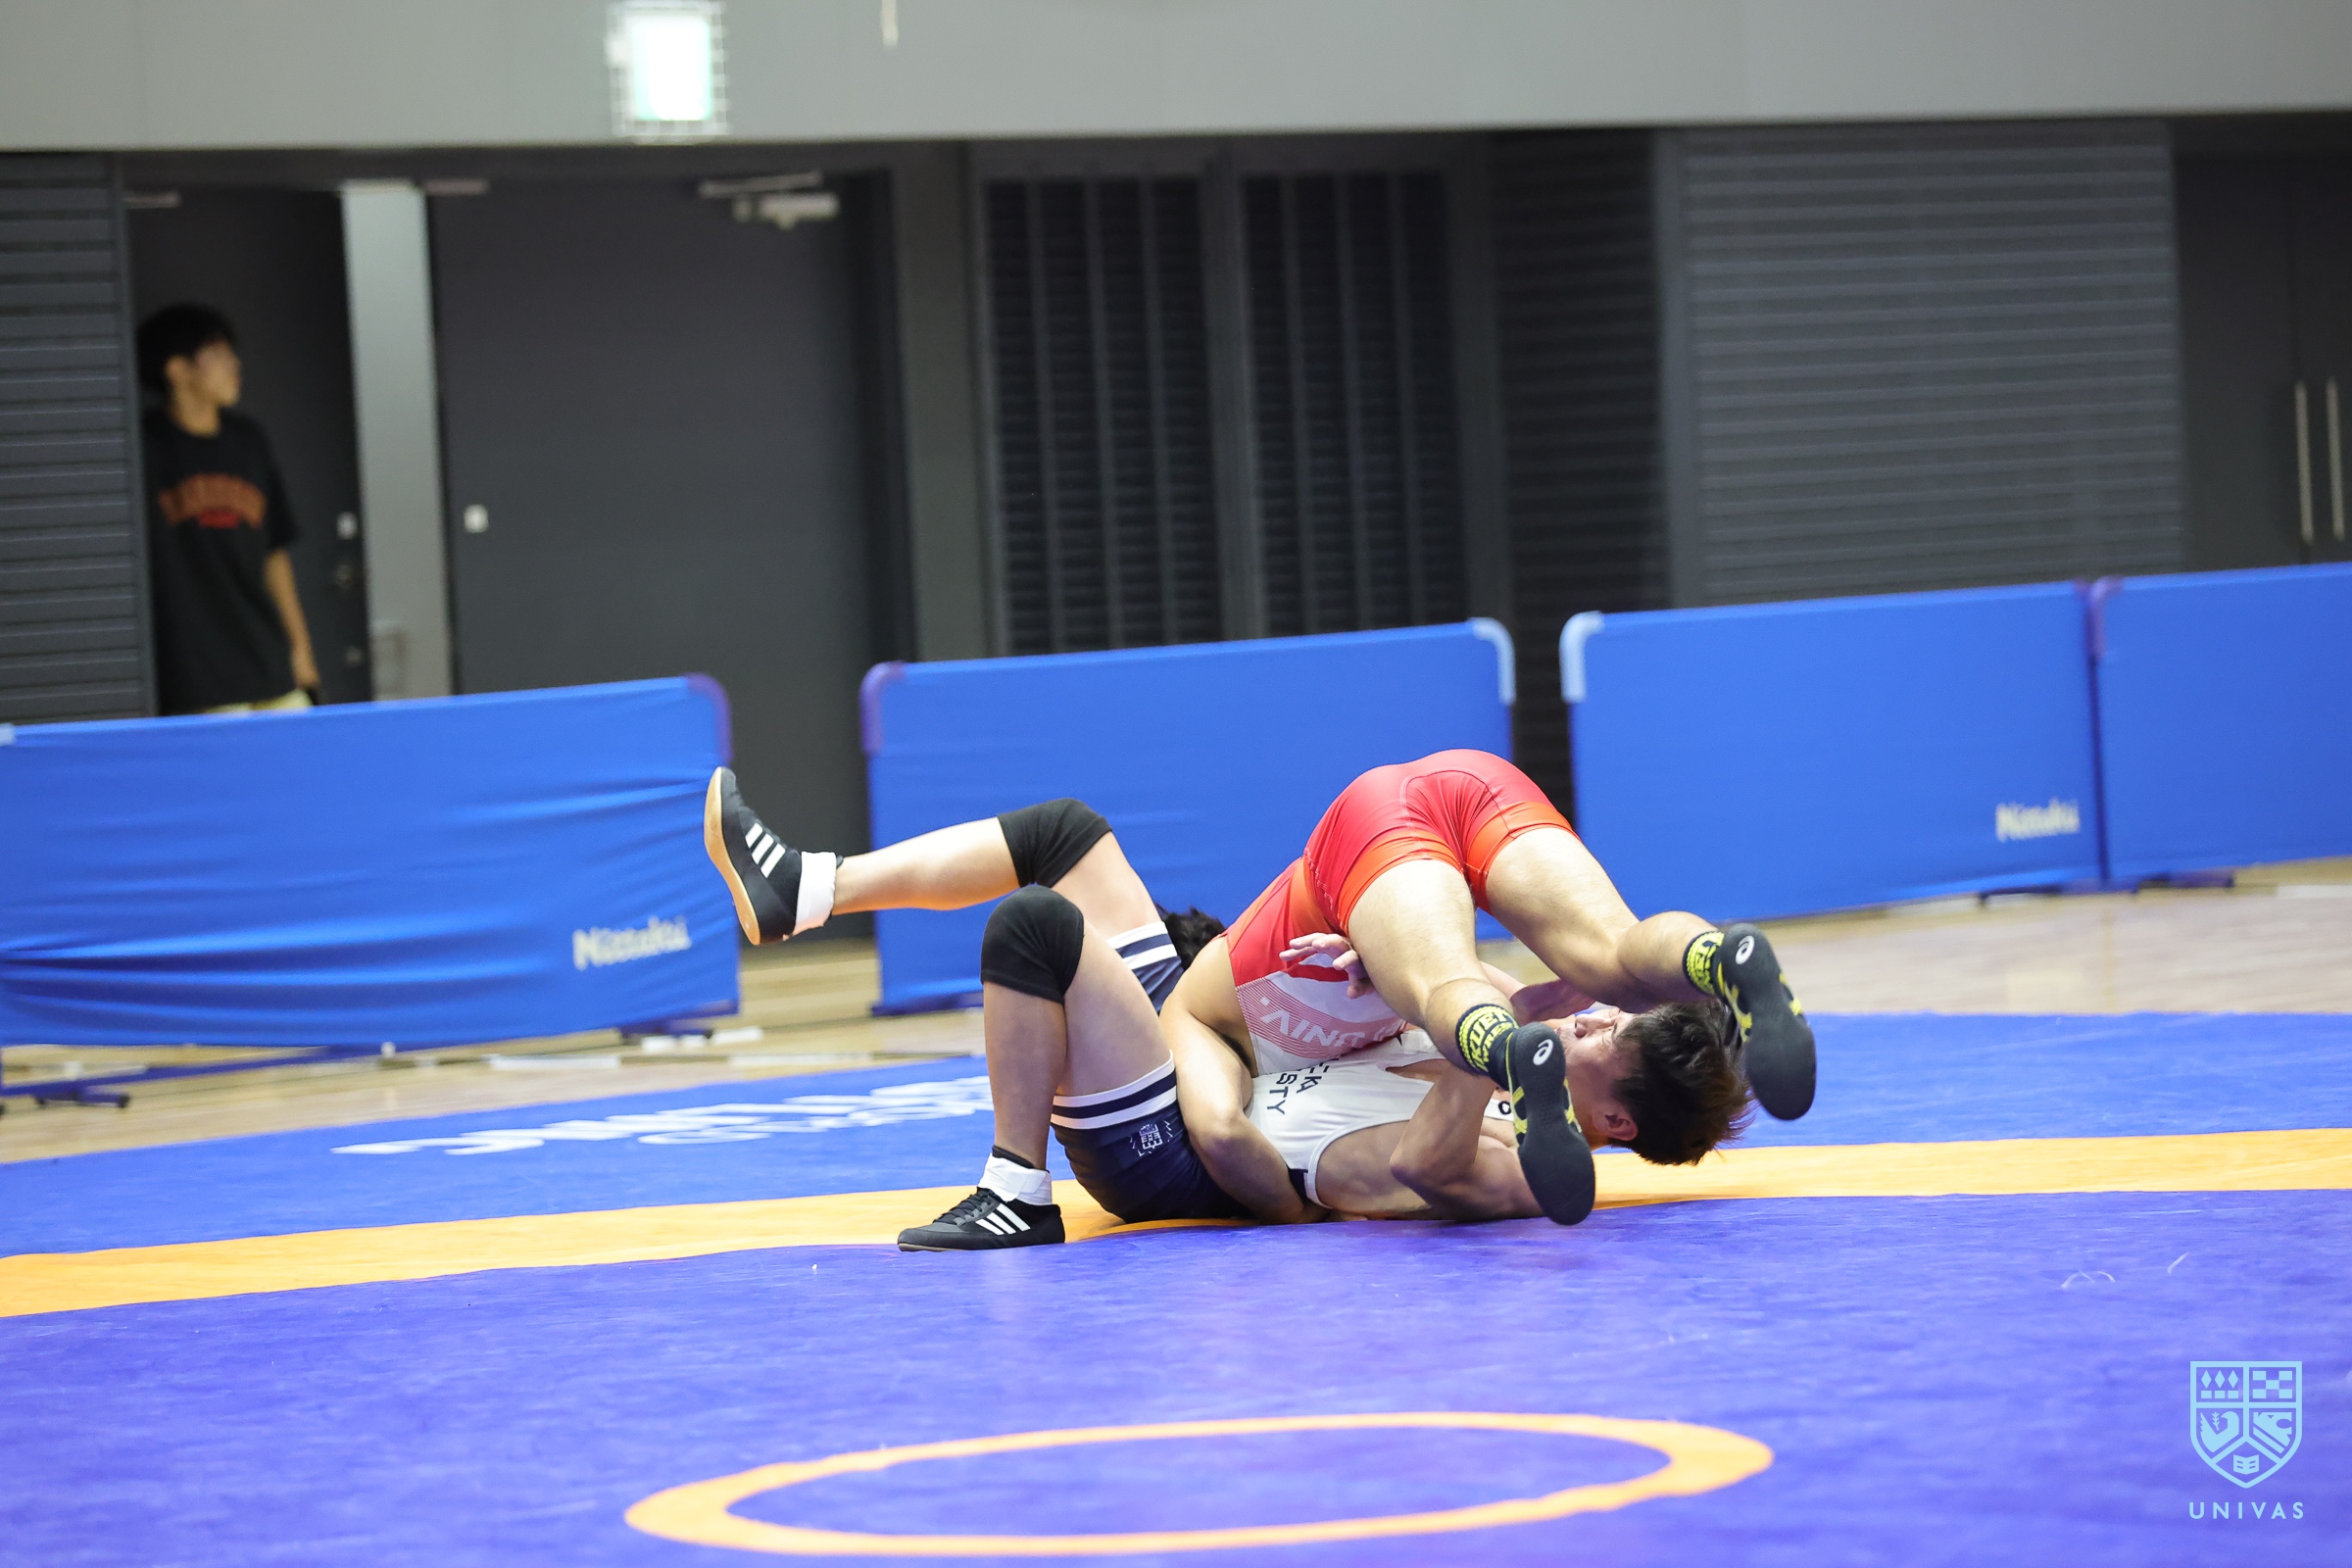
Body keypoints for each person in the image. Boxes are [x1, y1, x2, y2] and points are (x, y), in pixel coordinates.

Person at [1164, 749, 1806, 1231]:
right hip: (1404, 832)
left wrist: (1292, 1218)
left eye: (1607, 1033)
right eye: (1607, 1017)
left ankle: (1711, 953)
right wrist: (1385, 964)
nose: (1589, 1017)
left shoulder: (1527, 1163)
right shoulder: (1522, 1051)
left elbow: (1418, 1163)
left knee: (1508, 977)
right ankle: (1717, 960)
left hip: (1443, 798)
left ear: (1616, 1122)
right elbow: (1506, 1000)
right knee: (1608, 962)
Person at [136, 303, 319, 716]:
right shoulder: (147, 447)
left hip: (264, 651)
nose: (234, 364)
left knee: (301, 742)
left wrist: (300, 649)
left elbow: (275, 553)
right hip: (196, 668)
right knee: (231, 752)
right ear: (178, 370)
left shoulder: (248, 441)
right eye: (218, 354)